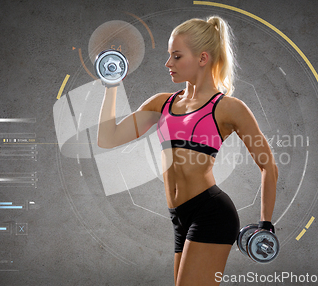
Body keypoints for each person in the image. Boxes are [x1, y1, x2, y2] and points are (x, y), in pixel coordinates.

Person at [97, 16, 278, 286]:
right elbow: (108, 137)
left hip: (211, 213)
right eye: (169, 56)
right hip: (179, 217)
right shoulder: (162, 103)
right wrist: (111, 83)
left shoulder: (229, 108)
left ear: (202, 58)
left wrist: (265, 225)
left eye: (177, 56)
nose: (168, 64)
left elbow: (268, 166)